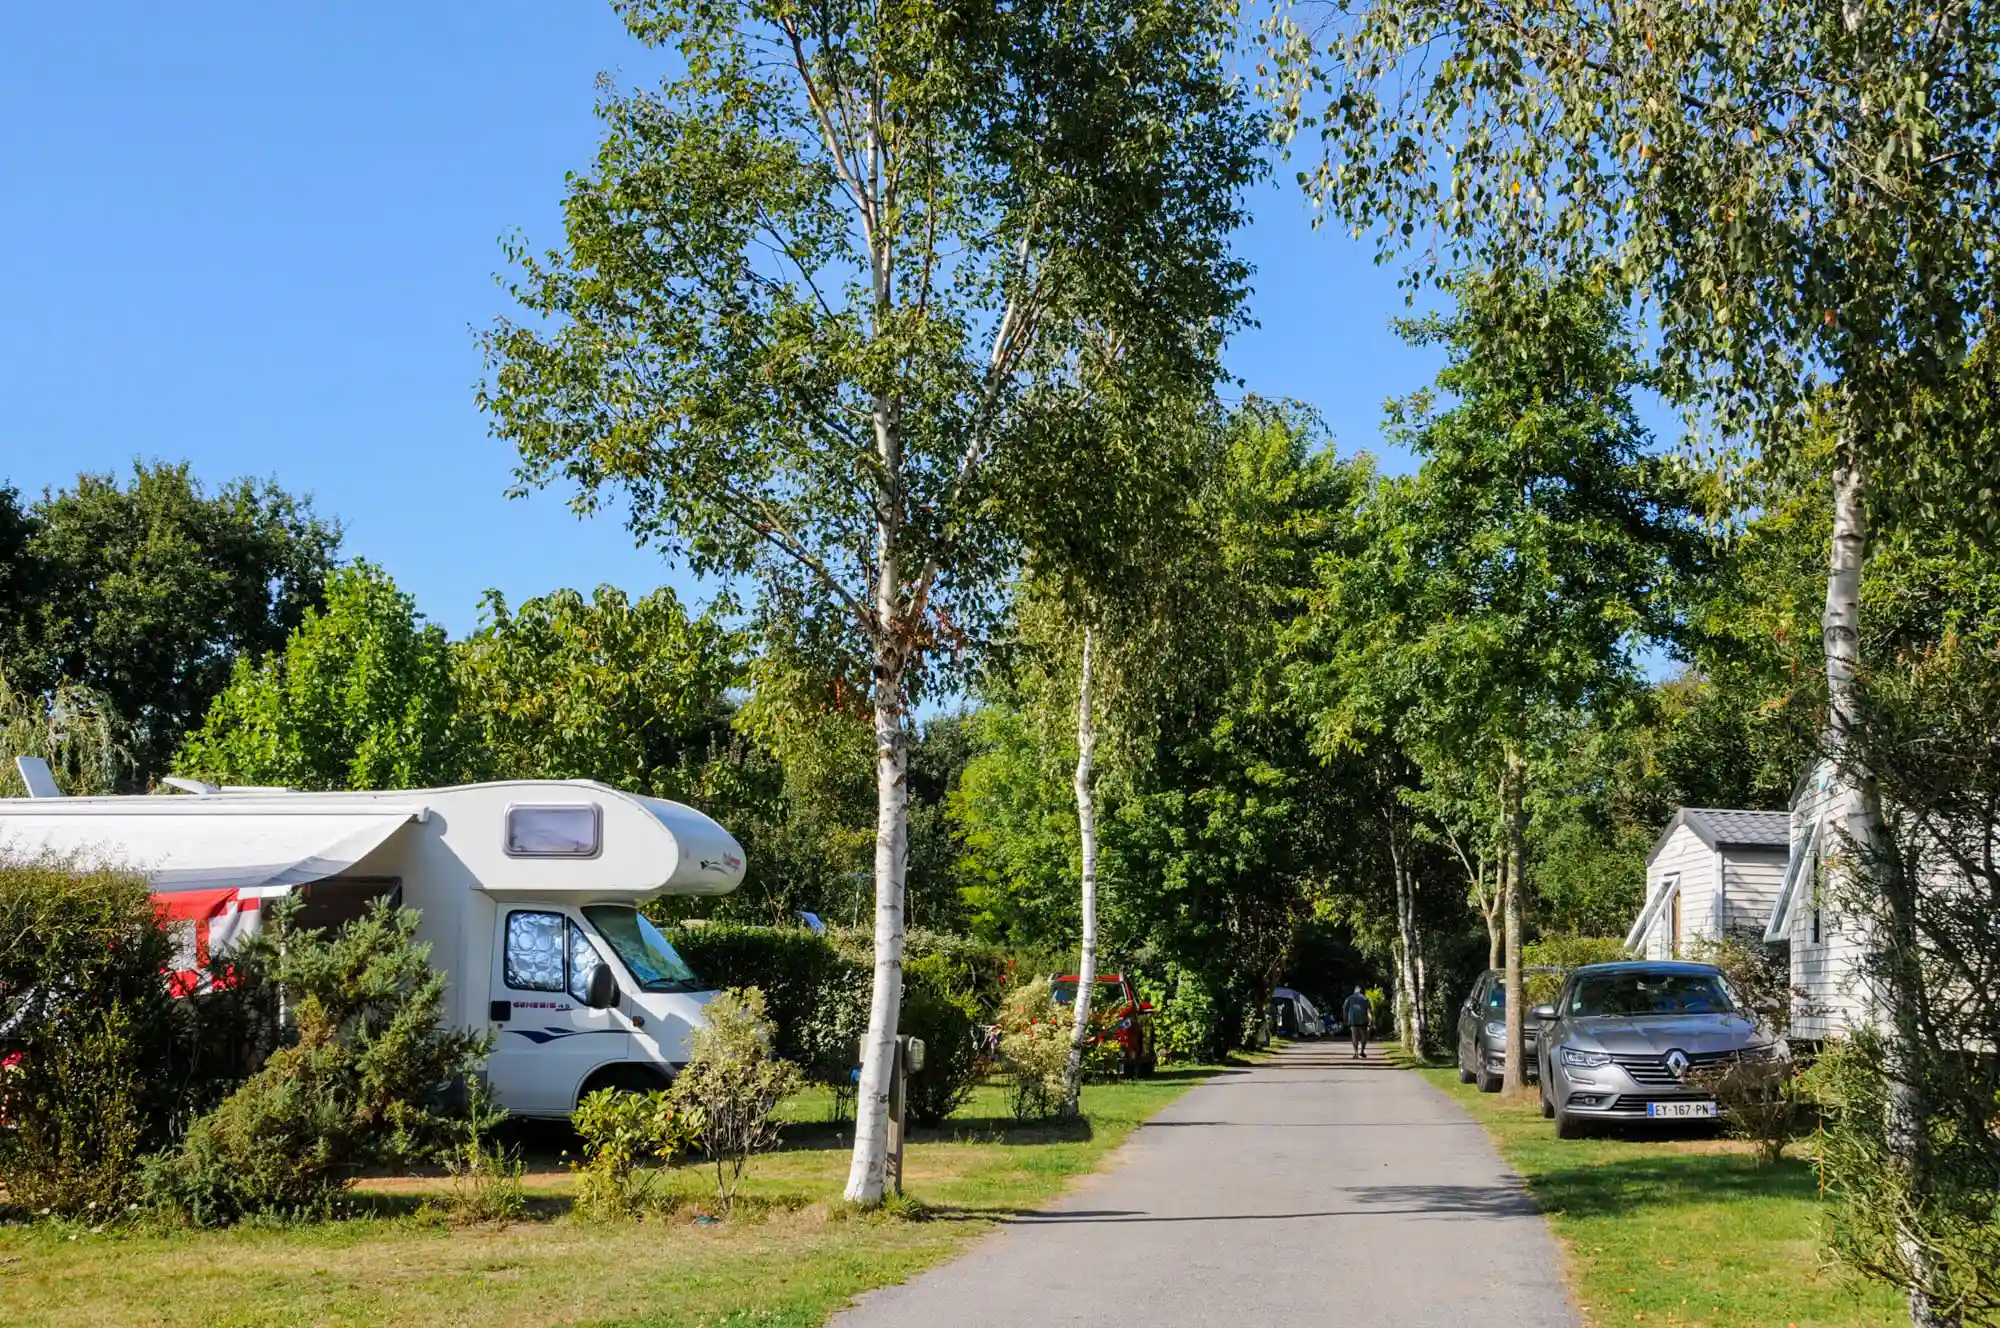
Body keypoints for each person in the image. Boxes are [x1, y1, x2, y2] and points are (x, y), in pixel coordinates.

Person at [1343, 986, 1373, 1060]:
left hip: (1353, 1019)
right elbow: (1369, 1010)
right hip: (1363, 1019)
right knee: (1364, 1036)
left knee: (1354, 1036)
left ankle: (1356, 1052)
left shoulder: (1349, 998)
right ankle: (1362, 1051)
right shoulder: (1365, 998)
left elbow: (1345, 1009)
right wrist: (1372, 1019)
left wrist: (1345, 1019)